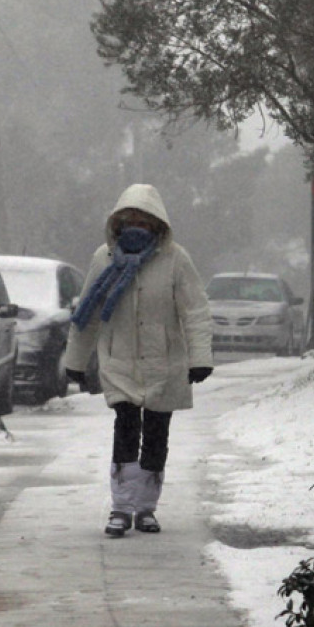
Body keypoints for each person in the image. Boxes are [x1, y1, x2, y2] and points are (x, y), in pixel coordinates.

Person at [64, 183, 214, 537]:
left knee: (157, 435)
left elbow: (195, 311)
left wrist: (200, 358)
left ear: (157, 223)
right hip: (120, 360)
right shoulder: (104, 258)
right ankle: (121, 506)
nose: (136, 225)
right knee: (126, 428)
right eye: (129, 218)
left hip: (165, 362)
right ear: (117, 221)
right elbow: (87, 311)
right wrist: (76, 359)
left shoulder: (176, 259)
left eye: (143, 219)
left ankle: (146, 507)